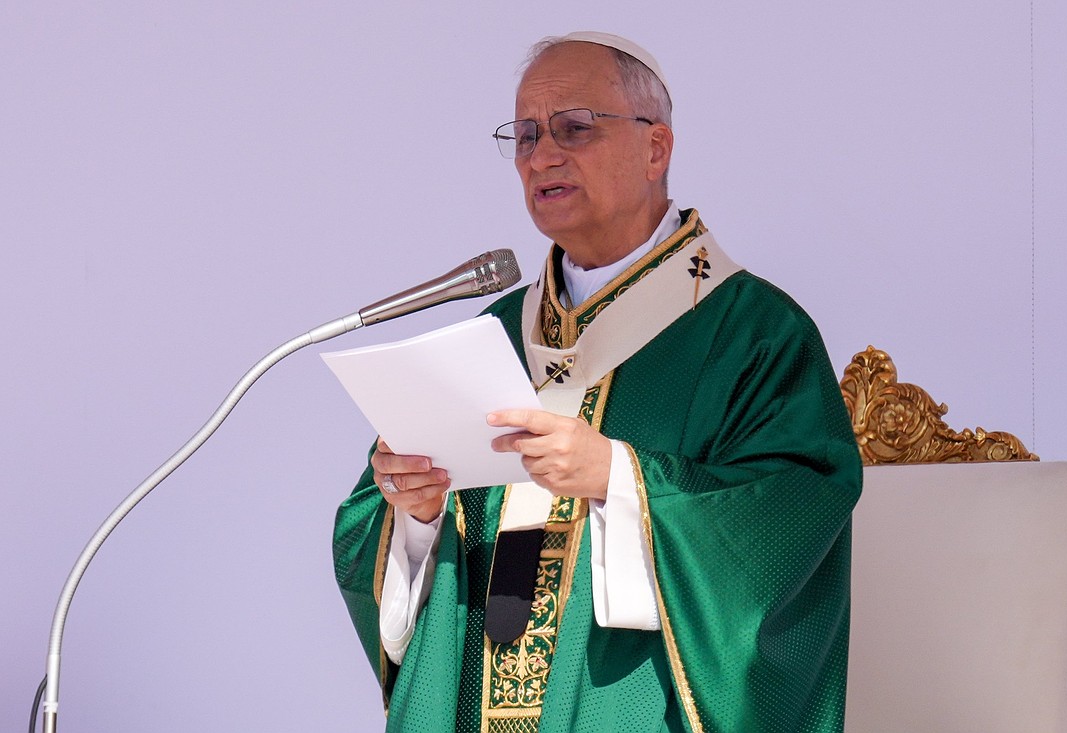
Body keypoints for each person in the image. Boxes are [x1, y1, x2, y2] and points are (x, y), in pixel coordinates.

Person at [333, 31, 862, 733]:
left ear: (656, 148)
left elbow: (788, 522)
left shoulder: (755, 333)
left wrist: (619, 477)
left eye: (574, 128)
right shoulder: (494, 334)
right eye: (525, 136)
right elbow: (371, 542)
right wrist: (414, 513)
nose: (542, 156)